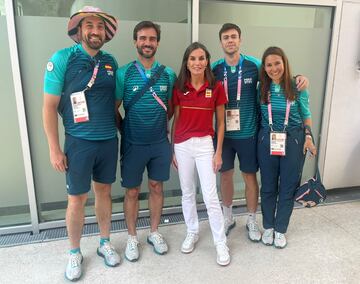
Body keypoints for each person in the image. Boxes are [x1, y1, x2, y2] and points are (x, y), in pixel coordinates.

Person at [42, 6, 120, 281]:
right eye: (89, 25)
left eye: (100, 27)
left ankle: (104, 243)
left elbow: (115, 102)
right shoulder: (62, 59)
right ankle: (75, 252)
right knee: (76, 199)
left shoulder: (111, 62)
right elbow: (49, 107)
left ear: (105, 32)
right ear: (79, 29)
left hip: (108, 141)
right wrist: (54, 149)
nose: (95, 31)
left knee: (104, 193)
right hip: (78, 143)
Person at [212, 23, 309, 240]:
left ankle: (252, 220)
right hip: (223, 134)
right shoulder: (215, 68)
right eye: (226, 37)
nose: (230, 40)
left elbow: (276, 75)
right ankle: (228, 217)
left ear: (240, 39)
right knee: (225, 176)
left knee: (249, 177)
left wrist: (300, 78)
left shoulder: (255, 65)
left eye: (234, 36)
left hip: (249, 133)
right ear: (221, 42)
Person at [115, 21, 176, 262]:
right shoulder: (123, 73)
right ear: (135, 41)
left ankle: (153, 232)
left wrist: (158, 127)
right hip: (132, 144)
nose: (147, 43)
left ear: (157, 42)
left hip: (160, 143)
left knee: (156, 187)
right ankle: (132, 237)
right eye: (142, 38)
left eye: (152, 39)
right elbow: (114, 108)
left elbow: (171, 108)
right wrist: (126, 129)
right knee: (131, 191)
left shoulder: (168, 73)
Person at [172, 42, 230, 266]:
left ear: (207, 61)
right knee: (187, 193)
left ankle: (220, 243)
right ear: (187, 62)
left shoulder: (215, 87)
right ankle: (192, 231)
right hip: (182, 145)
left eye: (202, 58)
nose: (198, 63)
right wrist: (172, 149)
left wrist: (218, 152)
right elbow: (176, 119)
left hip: (206, 145)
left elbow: (221, 123)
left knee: (210, 196)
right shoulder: (179, 87)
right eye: (193, 59)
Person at [258, 46, 317, 248]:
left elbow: (306, 114)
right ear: (264, 68)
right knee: (267, 186)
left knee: (287, 187)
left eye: (277, 63)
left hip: (293, 139)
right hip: (268, 139)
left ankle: (280, 229)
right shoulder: (260, 87)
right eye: (269, 65)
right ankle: (268, 226)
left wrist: (308, 136)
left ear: (284, 63)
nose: (274, 68)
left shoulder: (298, 86)